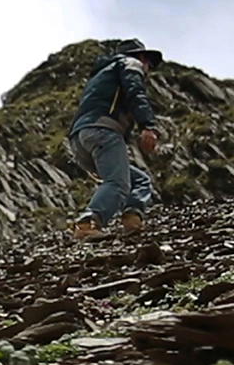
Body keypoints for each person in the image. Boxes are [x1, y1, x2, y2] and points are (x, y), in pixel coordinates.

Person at [67, 38, 163, 240]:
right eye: (149, 64)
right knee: (118, 183)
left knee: (140, 181)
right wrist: (147, 126)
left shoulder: (101, 75)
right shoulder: (130, 63)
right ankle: (87, 223)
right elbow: (135, 92)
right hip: (103, 131)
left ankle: (132, 219)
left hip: (80, 138)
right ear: (142, 57)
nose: (148, 69)